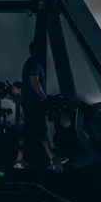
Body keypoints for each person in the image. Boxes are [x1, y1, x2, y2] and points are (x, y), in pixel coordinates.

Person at [13, 41, 68, 170]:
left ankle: (50, 159)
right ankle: (23, 161)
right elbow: (34, 83)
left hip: (31, 102)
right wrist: (45, 98)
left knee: (36, 132)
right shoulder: (34, 63)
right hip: (34, 103)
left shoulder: (31, 62)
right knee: (37, 131)